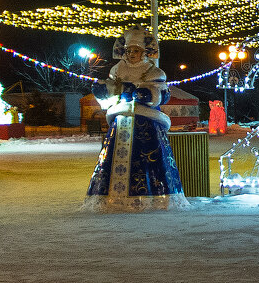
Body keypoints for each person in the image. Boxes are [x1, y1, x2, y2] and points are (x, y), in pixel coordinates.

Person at [81, 27, 189, 211]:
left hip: (146, 125)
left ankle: (153, 198)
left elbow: (163, 93)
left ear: (144, 52)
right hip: (121, 122)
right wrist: (103, 91)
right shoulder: (117, 70)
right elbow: (110, 95)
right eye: (129, 50)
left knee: (149, 160)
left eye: (135, 50)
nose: (131, 54)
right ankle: (111, 197)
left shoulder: (153, 72)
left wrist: (147, 95)